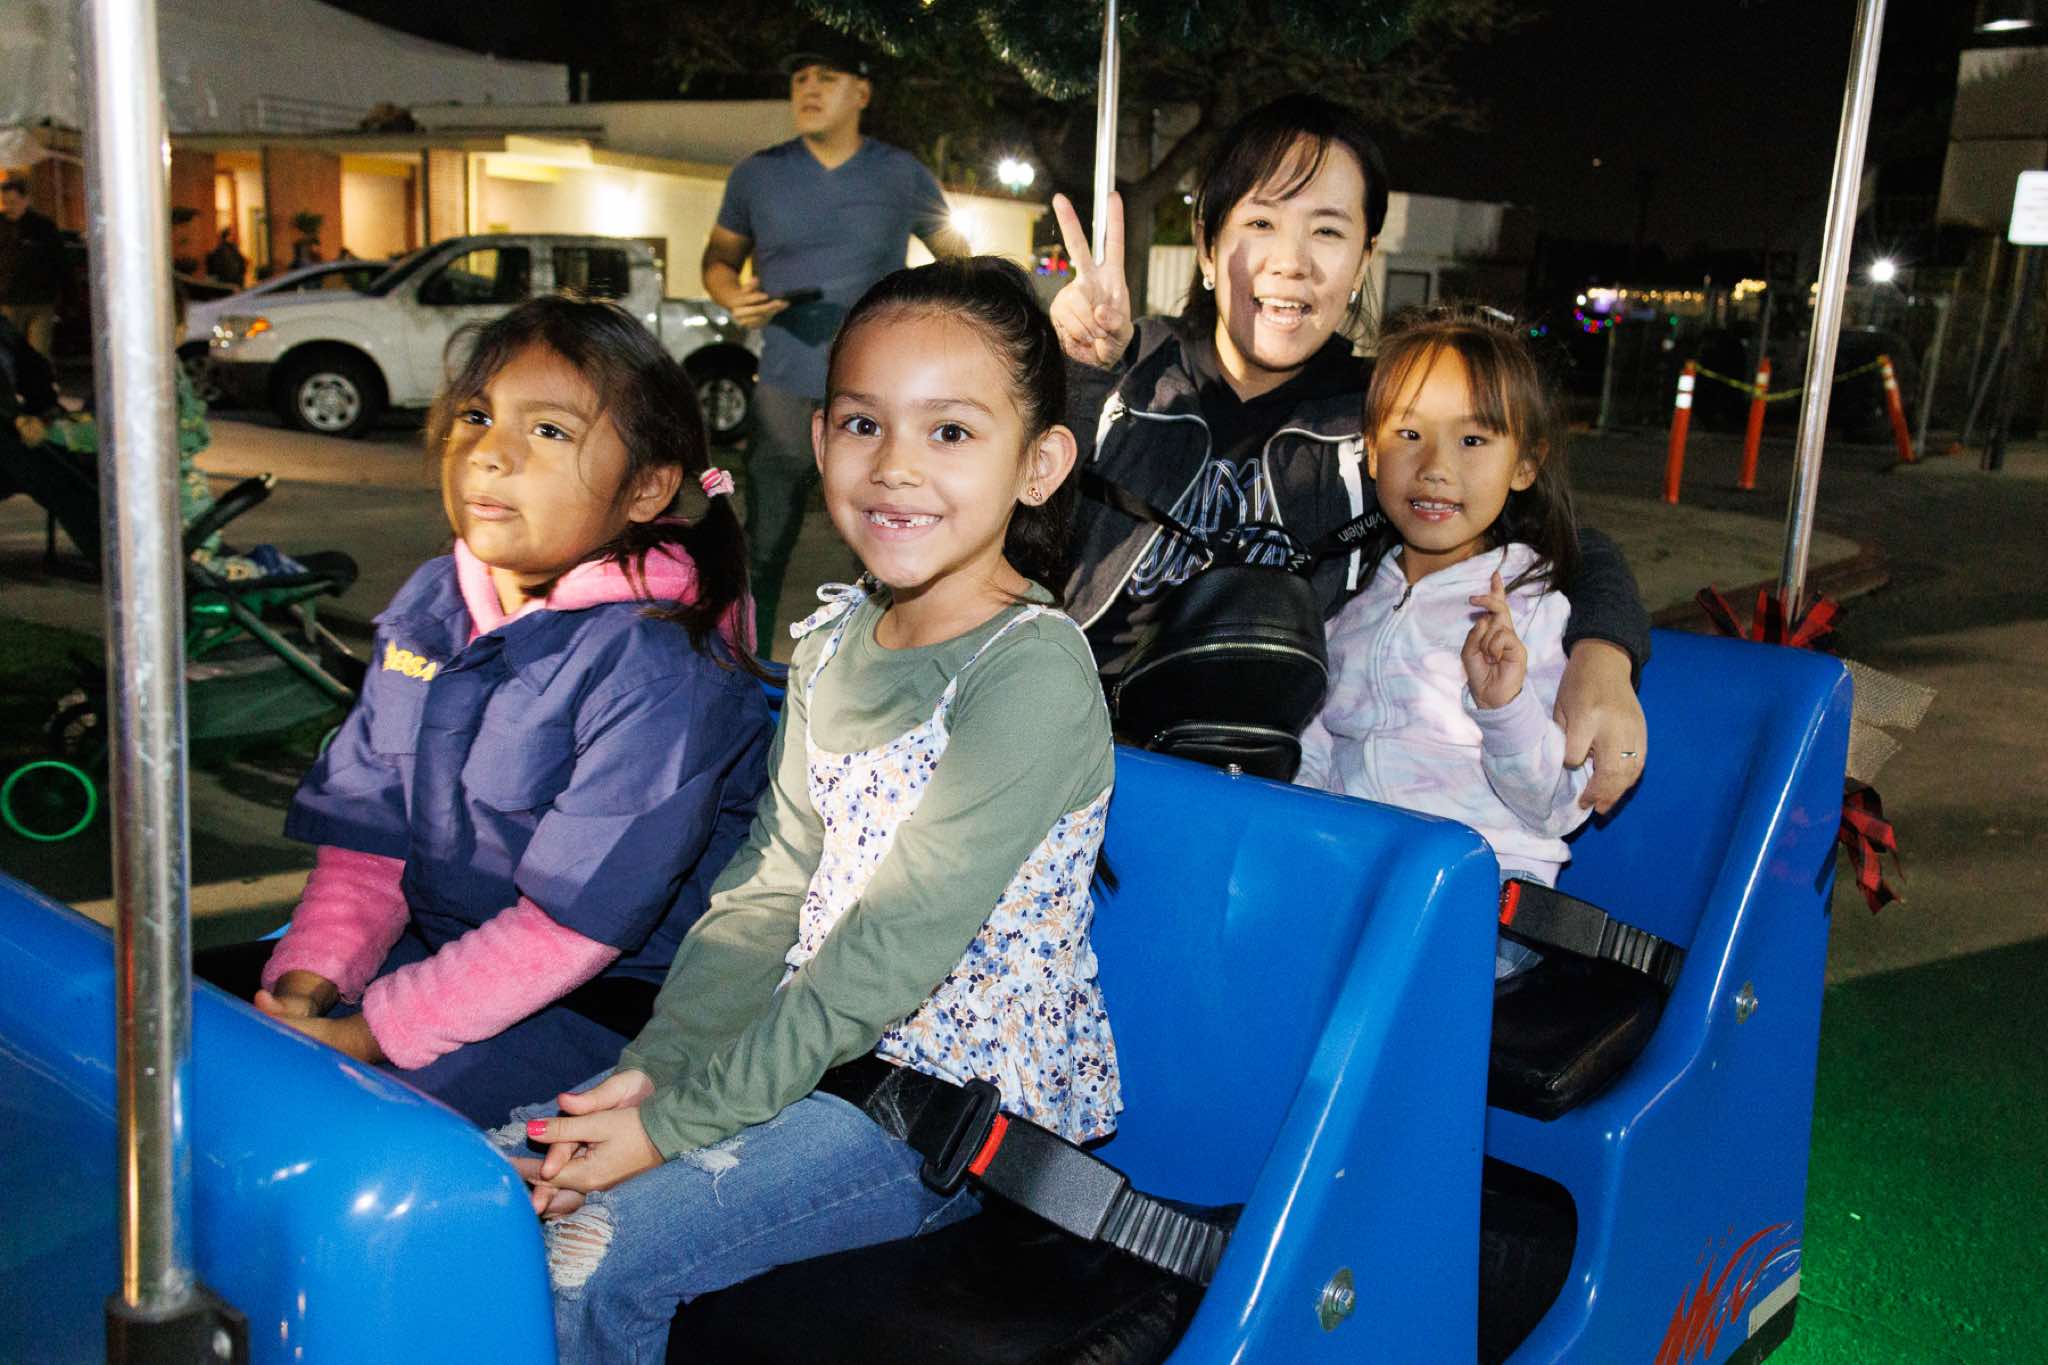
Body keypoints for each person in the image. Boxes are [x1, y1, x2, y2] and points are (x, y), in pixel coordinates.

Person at [501, 258, 1118, 1362]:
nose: (895, 467)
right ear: (820, 437)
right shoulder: (833, 639)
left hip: (942, 1111)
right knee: (493, 1184)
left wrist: (672, 1125)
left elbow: (886, 949)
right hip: (802, 1049)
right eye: (863, 424)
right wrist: (656, 1068)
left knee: (581, 1254)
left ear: (1038, 465)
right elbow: (769, 888)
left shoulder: (1028, 673)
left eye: (950, 432)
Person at [205, 295, 775, 1126]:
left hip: (603, 1005)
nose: (490, 452)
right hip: (446, 959)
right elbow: (369, 846)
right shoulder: (435, 602)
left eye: (548, 430)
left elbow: (570, 929)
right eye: (476, 416)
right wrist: (305, 988)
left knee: (338, 1126)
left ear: (648, 487)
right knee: (203, 1058)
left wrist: (362, 1036)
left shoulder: (662, 664)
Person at [1047, 94, 1652, 812]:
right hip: (1068, 759)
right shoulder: (1118, 369)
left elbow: (1568, 542)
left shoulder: (1391, 418)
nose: (1292, 262)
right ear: (1207, 244)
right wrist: (1078, 379)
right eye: (1261, 222)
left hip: (1265, 800)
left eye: (1328, 231)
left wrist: (1604, 656)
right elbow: (996, 526)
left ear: (1364, 259)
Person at [1297, 308, 1592, 977]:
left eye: (1473, 440)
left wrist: (1505, 707)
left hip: (1480, 906)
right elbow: (1316, 754)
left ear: (1525, 464)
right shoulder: (1353, 604)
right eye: (1409, 434)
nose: (1434, 467)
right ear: (1372, 451)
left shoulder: (1531, 609)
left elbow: (1559, 803)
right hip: (1361, 882)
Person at [701, 34, 971, 643]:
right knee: (763, 543)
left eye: (826, 77)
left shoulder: (901, 174)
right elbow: (718, 260)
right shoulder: (757, 174)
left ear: (862, 93)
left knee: (880, 548)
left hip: (876, 395)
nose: (809, 89)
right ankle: (744, 664)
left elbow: (958, 263)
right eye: (800, 80)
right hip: (784, 385)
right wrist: (731, 294)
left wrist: (919, 324)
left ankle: (880, 669)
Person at [0, 176, 63, 358]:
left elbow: (58, 261)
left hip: (40, 301)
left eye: (13, 202)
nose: (9, 207)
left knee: (38, 351)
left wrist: (64, 295)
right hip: (8, 300)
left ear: (26, 200)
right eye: (5, 202)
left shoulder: (44, 227)